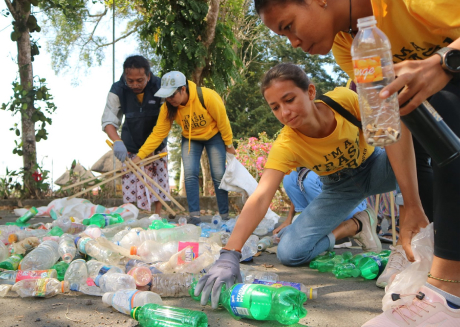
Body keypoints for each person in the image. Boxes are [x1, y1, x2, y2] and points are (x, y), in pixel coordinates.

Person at [254, 0, 460, 325]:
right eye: (275, 108)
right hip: (342, 186)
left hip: (383, 157)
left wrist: (444, 61)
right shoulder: (347, 44)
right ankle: (423, 255)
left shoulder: (405, 6)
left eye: (289, 26)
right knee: (415, 112)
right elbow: (394, 112)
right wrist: (412, 207)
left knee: (437, 106)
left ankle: (448, 294)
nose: (292, 42)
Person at [195, 62, 427, 309]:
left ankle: (412, 245)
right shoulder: (287, 143)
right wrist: (231, 253)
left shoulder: (343, 101)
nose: (285, 112)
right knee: (290, 253)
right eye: (275, 107)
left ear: (310, 92)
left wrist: (411, 203)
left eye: (289, 99)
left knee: (405, 125)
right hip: (339, 188)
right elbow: (261, 197)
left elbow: (389, 128)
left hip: (376, 166)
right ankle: (356, 224)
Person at [131, 71, 236, 225]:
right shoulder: (168, 108)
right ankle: (194, 217)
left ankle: (224, 216)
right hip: (190, 138)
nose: (169, 99)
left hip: (214, 136)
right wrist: (139, 156)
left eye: (172, 95)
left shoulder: (207, 96)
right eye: (166, 96)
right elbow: (157, 134)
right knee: (190, 174)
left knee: (219, 174)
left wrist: (229, 145)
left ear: (183, 89)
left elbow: (223, 121)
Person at [101, 55, 169, 213]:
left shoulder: (160, 87)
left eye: (140, 80)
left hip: (156, 146)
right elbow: (108, 120)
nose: (135, 84)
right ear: (125, 76)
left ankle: (157, 216)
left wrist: (153, 145)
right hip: (131, 145)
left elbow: (166, 119)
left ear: (148, 75)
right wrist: (117, 141)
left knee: (159, 181)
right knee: (132, 183)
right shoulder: (118, 89)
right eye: (130, 80)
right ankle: (133, 218)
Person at [274, 167, 368, 246]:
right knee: (290, 177)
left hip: (353, 204)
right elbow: (299, 180)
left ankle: (341, 232)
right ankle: (313, 227)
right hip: (327, 203)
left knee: (309, 178)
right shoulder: (301, 153)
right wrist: (289, 220)